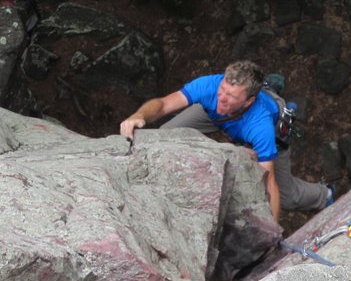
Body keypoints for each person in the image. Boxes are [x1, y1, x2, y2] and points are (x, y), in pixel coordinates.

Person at [119, 60, 332, 222]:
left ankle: (324, 195)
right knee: (167, 134)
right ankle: (264, 94)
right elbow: (163, 104)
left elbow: (270, 185)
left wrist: (271, 232)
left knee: (289, 198)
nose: (222, 98)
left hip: (265, 130)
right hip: (220, 118)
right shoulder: (210, 87)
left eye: (231, 96)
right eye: (222, 90)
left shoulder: (261, 128)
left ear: (248, 101)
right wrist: (139, 115)